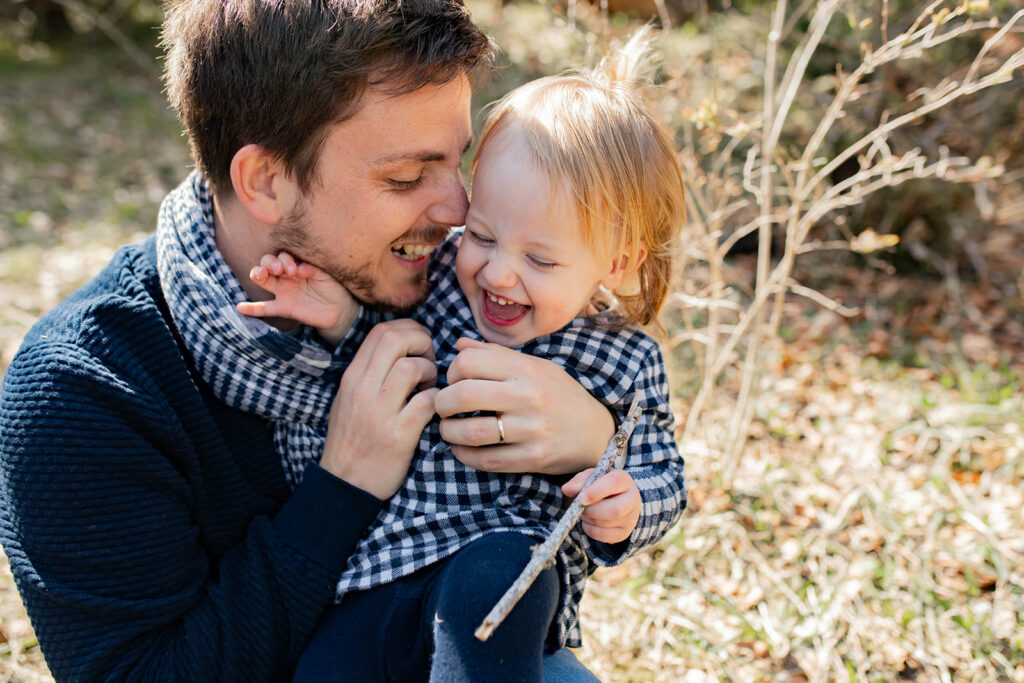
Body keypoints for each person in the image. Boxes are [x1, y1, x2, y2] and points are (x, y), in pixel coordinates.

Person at [0, 1, 625, 680]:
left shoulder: (461, 286)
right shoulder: (84, 388)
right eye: (407, 177)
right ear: (266, 181)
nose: (457, 210)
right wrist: (343, 488)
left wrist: (597, 438)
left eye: (457, 163)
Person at [235, 29, 688, 682]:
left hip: (500, 560)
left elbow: (664, 475)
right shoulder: (447, 279)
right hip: (385, 563)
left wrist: (629, 506)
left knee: (494, 581)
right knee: (324, 667)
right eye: (481, 233)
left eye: (538, 258)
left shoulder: (624, 361)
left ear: (615, 264)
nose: (498, 273)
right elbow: (384, 342)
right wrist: (336, 314)